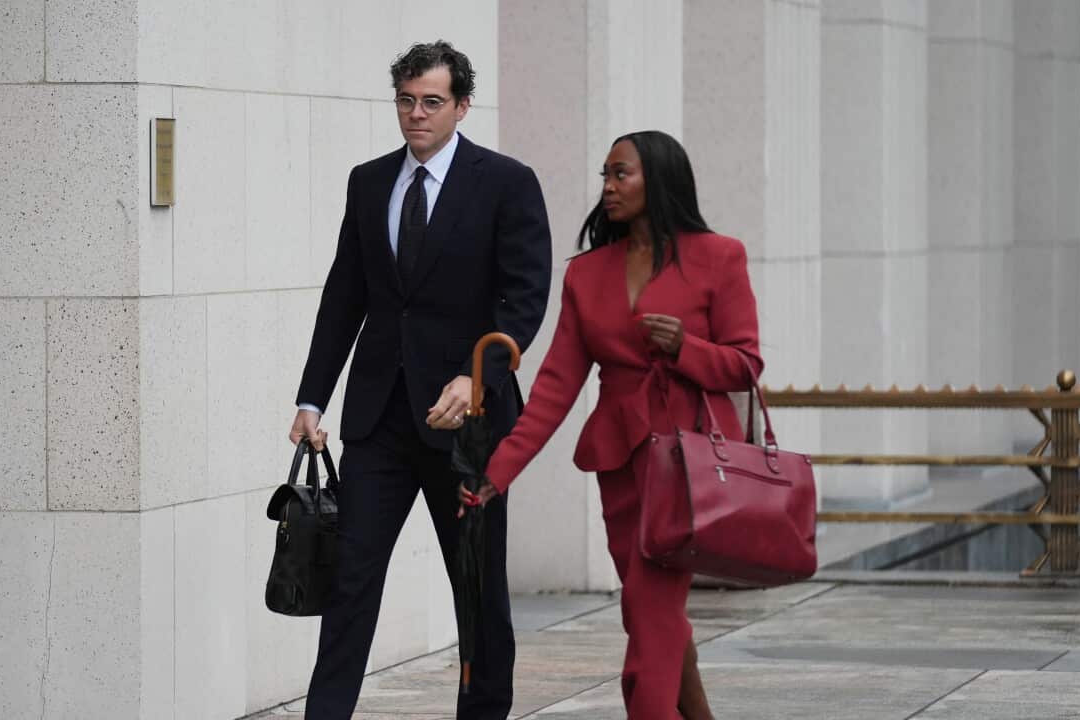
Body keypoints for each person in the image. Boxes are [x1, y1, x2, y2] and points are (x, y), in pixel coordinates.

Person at [289, 41, 552, 720]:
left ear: (462, 106)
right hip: (379, 420)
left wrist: (477, 379)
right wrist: (313, 397)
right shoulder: (369, 181)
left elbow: (524, 299)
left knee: (477, 588)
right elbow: (345, 296)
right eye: (405, 101)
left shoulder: (507, 182)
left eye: (432, 102)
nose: (416, 114)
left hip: (468, 429)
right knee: (349, 583)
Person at [460, 130, 763, 720]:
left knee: (652, 610)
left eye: (621, 174)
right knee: (649, 611)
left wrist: (686, 348)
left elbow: (745, 365)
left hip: (690, 465)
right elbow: (555, 387)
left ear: (660, 180)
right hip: (620, 463)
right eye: (605, 174)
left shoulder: (719, 256)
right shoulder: (587, 273)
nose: (608, 186)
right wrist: (498, 471)